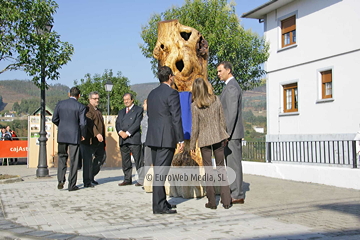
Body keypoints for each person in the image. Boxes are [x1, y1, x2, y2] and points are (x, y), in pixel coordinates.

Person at [145, 66, 184, 214]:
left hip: (153, 137)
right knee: (161, 174)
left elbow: (150, 114)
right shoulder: (172, 93)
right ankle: (159, 206)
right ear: (170, 77)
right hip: (166, 138)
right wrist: (180, 139)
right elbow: (176, 117)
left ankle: (162, 202)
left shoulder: (152, 94)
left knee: (158, 172)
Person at [190, 78, 232, 209]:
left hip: (204, 140)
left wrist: (192, 145)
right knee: (221, 168)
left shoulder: (195, 105)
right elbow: (222, 119)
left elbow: (195, 127)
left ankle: (212, 202)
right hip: (218, 136)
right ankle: (226, 201)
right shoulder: (216, 99)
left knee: (208, 170)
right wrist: (224, 134)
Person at [217, 61, 245, 204]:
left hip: (232, 134)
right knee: (231, 165)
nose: (218, 74)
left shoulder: (232, 87)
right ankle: (234, 191)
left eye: (220, 71)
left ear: (228, 70)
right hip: (231, 134)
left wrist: (226, 133)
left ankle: (238, 194)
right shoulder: (229, 86)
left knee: (234, 164)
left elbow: (231, 113)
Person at [52, 87, 87, 191]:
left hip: (62, 135)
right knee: (74, 160)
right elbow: (83, 123)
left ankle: (60, 180)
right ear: (79, 96)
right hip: (74, 135)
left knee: (62, 157)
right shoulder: (80, 106)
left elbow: (54, 119)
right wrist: (82, 134)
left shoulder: (60, 104)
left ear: (69, 94)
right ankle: (71, 185)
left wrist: (61, 126)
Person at [116, 93, 144, 186]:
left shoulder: (138, 110)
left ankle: (141, 179)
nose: (126, 101)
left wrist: (127, 133)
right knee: (125, 161)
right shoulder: (121, 112)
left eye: (127, 99)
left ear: (132, 100)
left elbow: (137, 123)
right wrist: (120, 132)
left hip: (133, 138)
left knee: (138, 160)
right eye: (124, 100)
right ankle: (127, 179)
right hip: (123, 139)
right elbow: (117, 123)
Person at [81, 91, 106, 188]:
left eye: (98, 98)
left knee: (101, 157)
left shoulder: (98, 110)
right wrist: (97, 134)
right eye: (95, 98)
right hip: (89, 140)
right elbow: (90, 124)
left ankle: (91, 176)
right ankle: (87, 181)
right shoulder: (87, 110)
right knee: (88, 161)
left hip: (99, 141)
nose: (97, 100)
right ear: (90, 99)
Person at [139, 99, 152, 186]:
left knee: (148, 161)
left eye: (144, 104)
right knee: (146, 161)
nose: (143, 105)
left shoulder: (151, 115)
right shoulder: (145, 115)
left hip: (149, 140)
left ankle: (147, 182)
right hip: (144, 140)